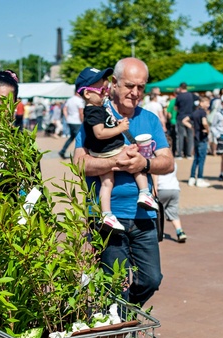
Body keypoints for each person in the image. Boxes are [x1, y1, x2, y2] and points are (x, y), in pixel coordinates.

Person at [74, 57, 173, 307]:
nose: (135, 92)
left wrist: (144, 164)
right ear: (115, 84)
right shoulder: (96, 116)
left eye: (141, 87)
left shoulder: (150, 119)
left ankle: (125, 317)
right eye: (130, 85)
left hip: (143, 215)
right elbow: (78, 164)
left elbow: (168, 162)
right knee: (114, 284)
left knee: (152, 278)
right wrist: (114, 162)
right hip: (110, 216)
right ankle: (118, 331)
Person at [75, 66, 154, 232]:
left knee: (107, 183)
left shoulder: (99, 109)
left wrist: (115, 124)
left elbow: (104, 125)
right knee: (135, 157)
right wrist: (120, 128)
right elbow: (100, 133)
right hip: (110, 149)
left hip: (104, 152)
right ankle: (145, 193)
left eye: (106, 88)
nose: (105, 92)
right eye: (102, 89)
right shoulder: (93, 111)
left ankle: (106, 213)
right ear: (87, 94)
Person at [155, 162, 186, 243]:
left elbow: (155, 175)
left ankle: (157, 232)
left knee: (157, 211)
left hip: (162, 188)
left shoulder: (157, 161)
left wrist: (154, 189)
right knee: (173, 212)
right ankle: (180, 232)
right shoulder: (173, 162)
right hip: (174, 188)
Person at [187, 95, 211, 187]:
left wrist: (192, 127)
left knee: (196, 159)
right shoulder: (202, 113)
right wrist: (207, 130)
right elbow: (204, 122)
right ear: (201, 103)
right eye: (207, 102)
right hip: (202, 138)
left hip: (196, 138)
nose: (208, 104)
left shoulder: (195, 112)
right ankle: (200, 178)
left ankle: (192, 178)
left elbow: (185, 120)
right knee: (201, 159)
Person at [210, 93, 223, 182]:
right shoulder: (218, 114)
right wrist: (217, 135)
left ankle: (222, 173)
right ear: (222, 103)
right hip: (221, 136)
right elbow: (213, 126)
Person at [58, 89, 84, 159]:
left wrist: (67, 117)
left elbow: (64, 109)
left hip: (70, 121)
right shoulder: (79, 101)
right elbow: (81, 112)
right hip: (77, 121)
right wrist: (83, 121)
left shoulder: (69, 100)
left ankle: (63, 151)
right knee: (79, 139)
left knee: (72, 137)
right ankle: (80, 154)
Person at [174, 82, 195, 158]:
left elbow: (176, 108)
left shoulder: (179, 96)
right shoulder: (191, 95)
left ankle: (180, 154)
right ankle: (189, 154)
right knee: (190, 136)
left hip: (180, 117)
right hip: (189, 117)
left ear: (180, 88)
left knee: (180, 136)